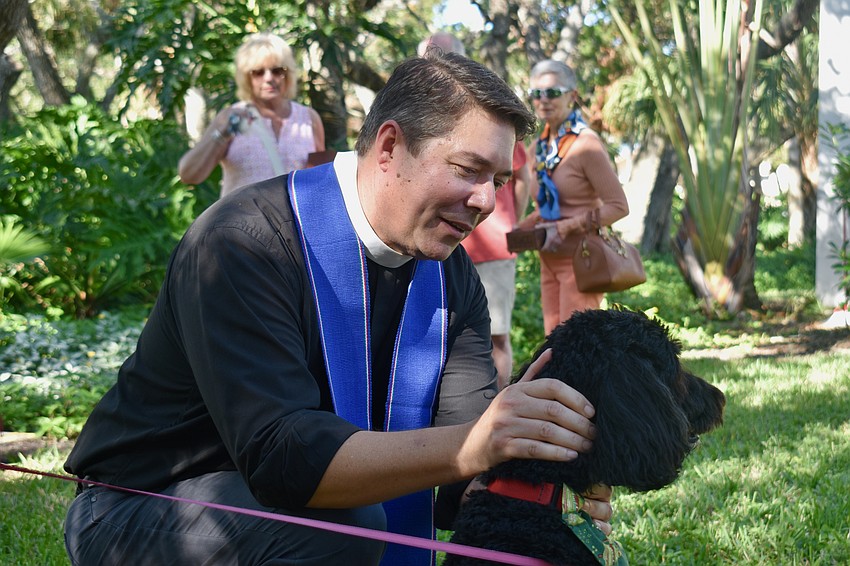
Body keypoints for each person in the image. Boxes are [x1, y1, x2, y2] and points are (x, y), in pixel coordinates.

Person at [63, 52, 612, 566]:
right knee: (339, 526)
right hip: (140, 502)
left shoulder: (451, 274)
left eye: (498, 180)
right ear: (391, 147)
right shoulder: (243, 241)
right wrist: (479, 444)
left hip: (296, 503)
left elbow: (457, 453)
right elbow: (284, 459)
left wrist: (538, 489)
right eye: (468, 169)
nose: (487, 202)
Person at [419, 32, 533, 390]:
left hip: (492, 245)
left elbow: (522, 176)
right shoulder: (416, 117)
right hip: (442, 243)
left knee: (496, 335)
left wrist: (510, 219)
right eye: (429, 58)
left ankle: (494, 410)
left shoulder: (492, 120)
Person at [515, 59, 629, 334]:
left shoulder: (585, 144)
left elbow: (618, 207)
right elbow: (544, 208)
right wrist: (515, 233)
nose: (544, 100)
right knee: (553, 342)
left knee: (577, 344)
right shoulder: (538, 149)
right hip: (549, 257)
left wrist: (565, 227)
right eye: (536, 94)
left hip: (583, 259)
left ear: (572, 96)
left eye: (553, 92)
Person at [178, 32, 326, 198]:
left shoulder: (308, 119)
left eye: (277, 71)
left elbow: (320, 178)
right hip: (242, 221)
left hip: (290, 222)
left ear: (288, 75)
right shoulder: (232, 117)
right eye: (258, 72)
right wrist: (222, 133)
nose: (269, 78)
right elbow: (189, 175)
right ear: (246, 77)